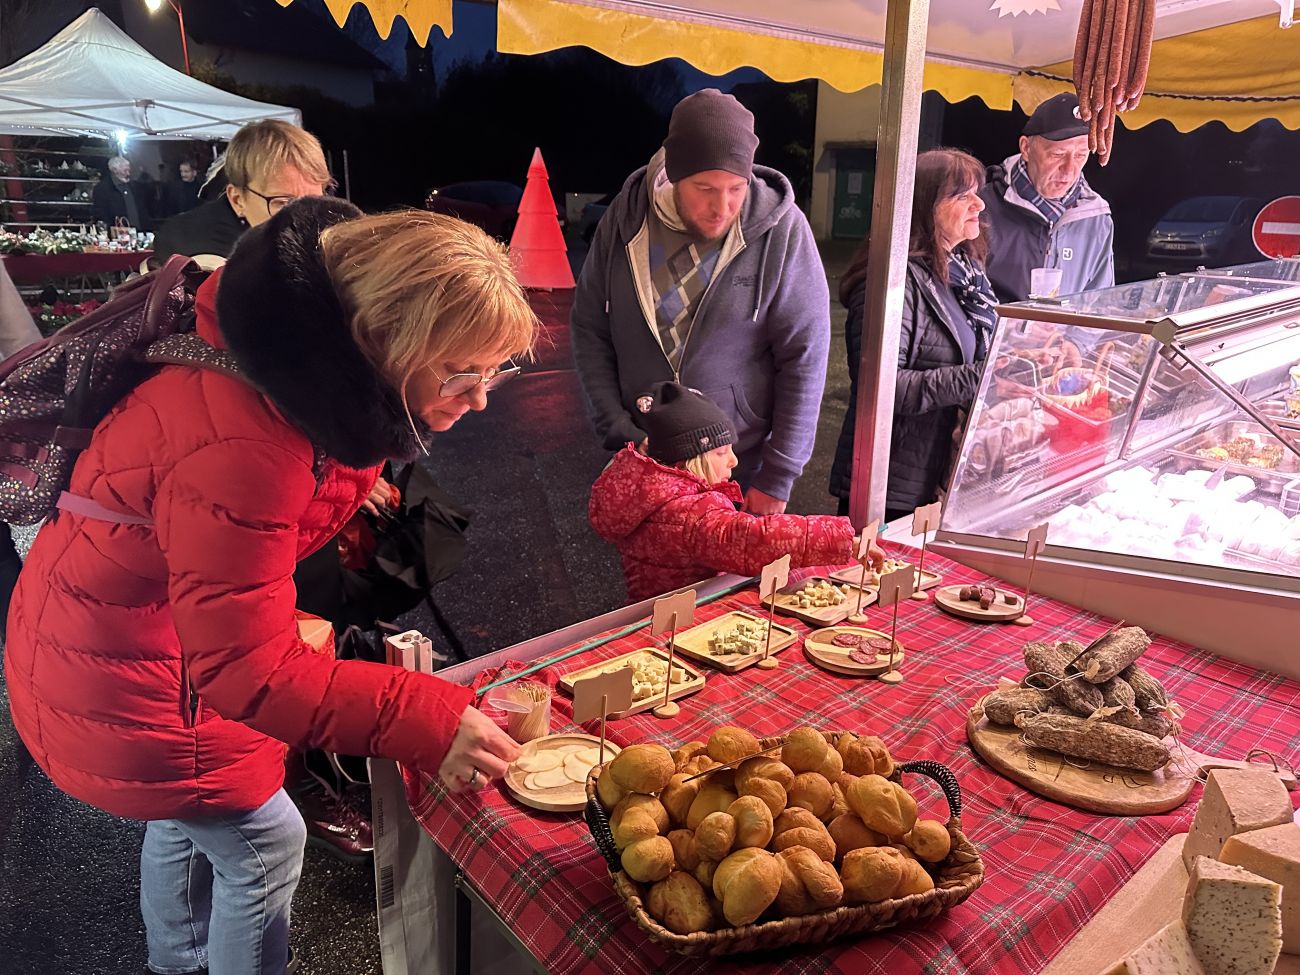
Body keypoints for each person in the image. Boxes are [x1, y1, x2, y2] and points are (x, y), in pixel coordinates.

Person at [4, 200, 537, 975]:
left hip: (96, 638)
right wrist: (428, 716)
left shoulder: (285, 369)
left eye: (497, 371)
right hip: (123, 676)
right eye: (463, 371)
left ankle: (177, 958)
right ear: (381, 339)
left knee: (186, 819)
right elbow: (245, 670)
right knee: (265, 841)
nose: (481, 395)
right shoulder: (248, 440)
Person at [571, 88, 830, 517]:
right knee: (650, 563)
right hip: (647, 459)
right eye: (704, 188)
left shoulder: (783, 231)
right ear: (674, 174)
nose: (721, 207)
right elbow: (589, 327)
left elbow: (805, 354)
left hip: (740, 466)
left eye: (736, 188)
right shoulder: (625, 219)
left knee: (734, 565)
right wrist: (614, 425)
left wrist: (779, 474)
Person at [591, 381, 882, 603]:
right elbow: (753, 538)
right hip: (684, 620)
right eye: (721, 452)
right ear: (689, 460)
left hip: (645, 612)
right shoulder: (690, 514)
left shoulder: (648, 491)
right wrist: (841, 540)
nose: (734, 461)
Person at [830, 149, 998, 523]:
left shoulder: (965, 274)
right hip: (889, 486)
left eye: (977, 193)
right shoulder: (888, 282)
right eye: (963, 196)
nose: (979, 205)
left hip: (941, 473)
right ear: (924, 206)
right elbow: (883, 390)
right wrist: (981, 377)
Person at [979, 92, 1115, 303]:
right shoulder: (981, 206)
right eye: (1057, 154)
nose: (1069, 170)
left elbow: (1101, 301)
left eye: (1081, 155)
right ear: (1026, 148)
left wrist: (1074, 331)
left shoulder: (1096, 218)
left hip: (1065, 327)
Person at [152, 120, 330, 264]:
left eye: (314, 202)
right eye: (284, 203)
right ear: (237, 200)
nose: (305, 222)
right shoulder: (214, 258)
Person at [91, 155, 152, 229]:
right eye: (125, 168)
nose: (128, 171)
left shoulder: (135, 187)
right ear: (115, 170)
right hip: (117, 233)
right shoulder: (102, 188)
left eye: (128, 168)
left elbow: (143, 210)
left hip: (139, 232)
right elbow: (100, 214)